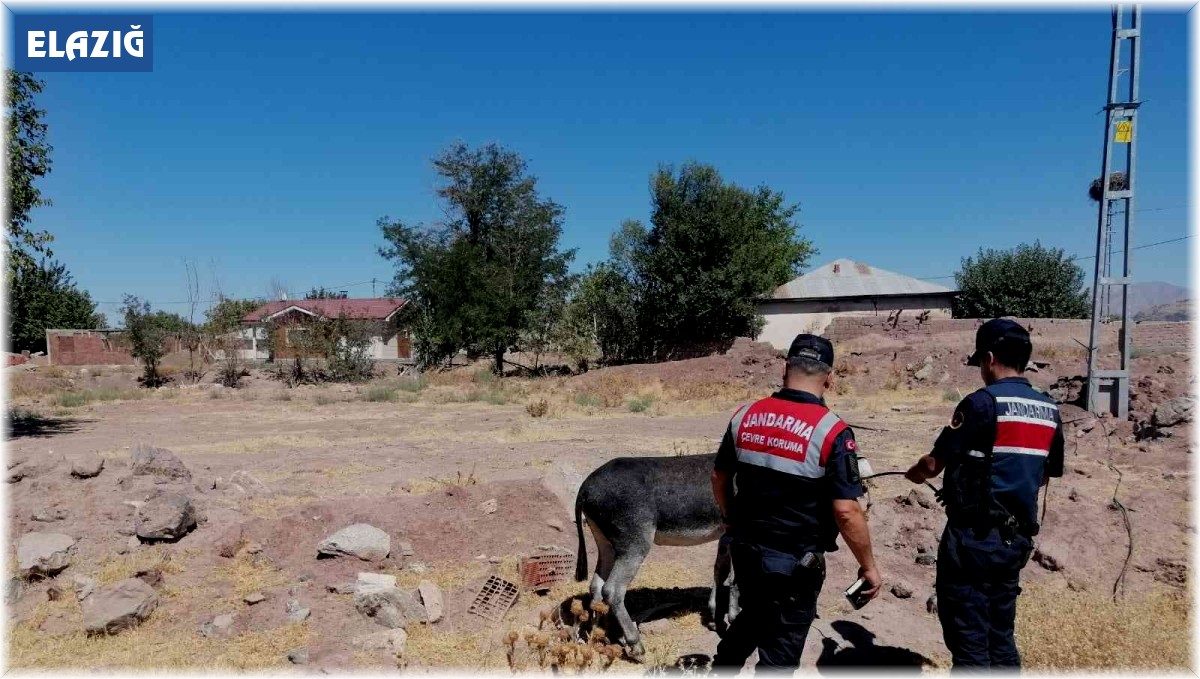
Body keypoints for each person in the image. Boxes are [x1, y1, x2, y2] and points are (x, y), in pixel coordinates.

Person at [711, 333, 882, 673]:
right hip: (795, 563)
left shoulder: (745, 415)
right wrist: (868, 566)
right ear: (829, 378)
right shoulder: (833, 432)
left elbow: (718, 478)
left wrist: (731, 519)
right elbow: (846, 511)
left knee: (755, 613)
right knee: (781, 647)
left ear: (784, 368)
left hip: (746, 550)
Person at [905, 318, 1065, 671]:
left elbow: (934, 464)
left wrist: (914, 473)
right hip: (1015, 541)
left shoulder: (980, 404)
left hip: (972, 541)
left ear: (989, 358)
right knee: (1001, 635)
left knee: (969, 640)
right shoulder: (1049, 410)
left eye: (980, 360)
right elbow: (1044, 475)